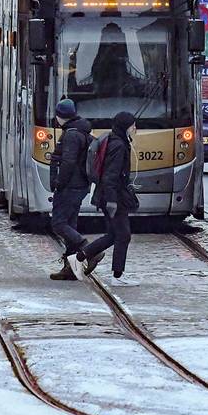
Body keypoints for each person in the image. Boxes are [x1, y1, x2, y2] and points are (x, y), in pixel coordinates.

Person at [74, 111, 140, 286]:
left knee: (113, 235)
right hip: (113, 197)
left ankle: (79, 257)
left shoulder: (116, 140)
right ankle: (118, 276)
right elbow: (111, 175)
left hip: (109, 195)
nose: (135, 128)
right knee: (123, 235)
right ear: (126, 126)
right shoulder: (118, 145)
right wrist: (112, 201)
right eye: (133, 125)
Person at [47, 99, 94, 280]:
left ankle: (89, 250)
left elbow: (68, 162)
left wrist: (59, 182)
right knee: (70, 224)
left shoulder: (72, 135)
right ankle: (71, 268)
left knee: (58, 223)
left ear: (59, 116)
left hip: (70, 186)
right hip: (78, 185)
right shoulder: (79, 130)